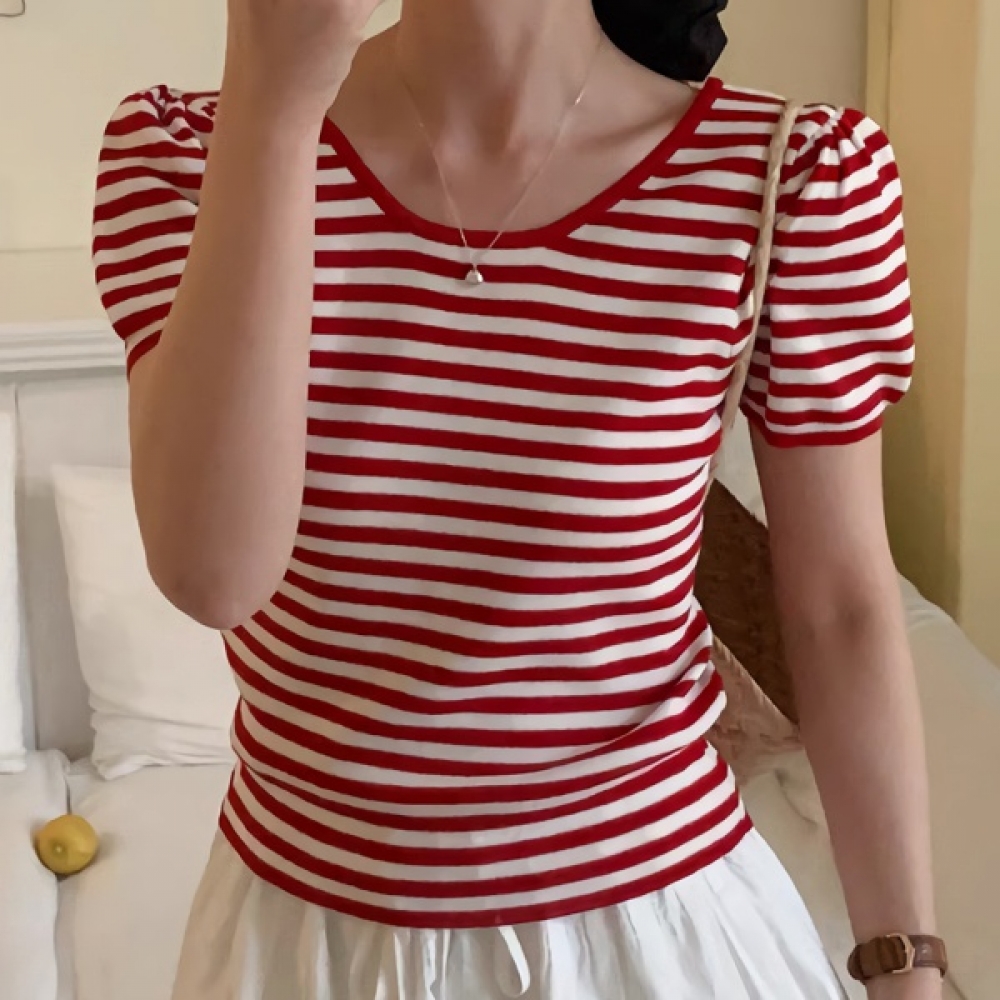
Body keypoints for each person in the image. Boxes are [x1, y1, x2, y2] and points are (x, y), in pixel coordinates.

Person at [92, 1, 942, 997]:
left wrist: (906, 969)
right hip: (300, 939)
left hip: (651, 938)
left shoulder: (789, 179)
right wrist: (276, 102)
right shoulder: (190, 153)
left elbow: (840, 607)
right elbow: (213, 575)